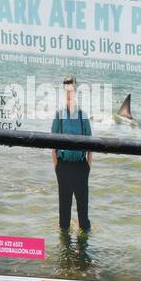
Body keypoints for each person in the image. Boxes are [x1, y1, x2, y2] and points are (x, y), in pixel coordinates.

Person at [51, 75, 92, 233]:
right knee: (64, 219)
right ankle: (64, 254)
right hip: (63, 167)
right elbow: (52, 144)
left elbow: (91, 144)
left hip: (81, 168)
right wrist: (57, 167)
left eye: (72, 90)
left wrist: (88, 166)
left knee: (84, 219)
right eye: (66, 90)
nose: (69, 93)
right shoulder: (59, 116)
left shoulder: (83, 116)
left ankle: (83, 253)